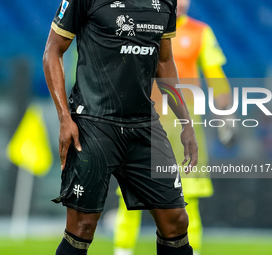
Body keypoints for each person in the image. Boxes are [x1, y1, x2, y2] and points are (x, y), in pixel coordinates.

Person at [43, 0, 199, 255]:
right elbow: (52, 51)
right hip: (94, 124)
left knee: (176, 221)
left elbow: (165, 61)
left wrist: (185, 122)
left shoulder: (166, 2)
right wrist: (64, 118)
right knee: (82, 226)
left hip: (144, 126)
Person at [113, 1, 234, 255]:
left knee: (189, 198)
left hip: (184, 125)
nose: (182, 3)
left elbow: (215, 75)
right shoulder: (140, 27)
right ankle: (122, 250)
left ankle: (193, 251)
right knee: (130, 194)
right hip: (143, 119)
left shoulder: (200, 32)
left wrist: (226, 114)